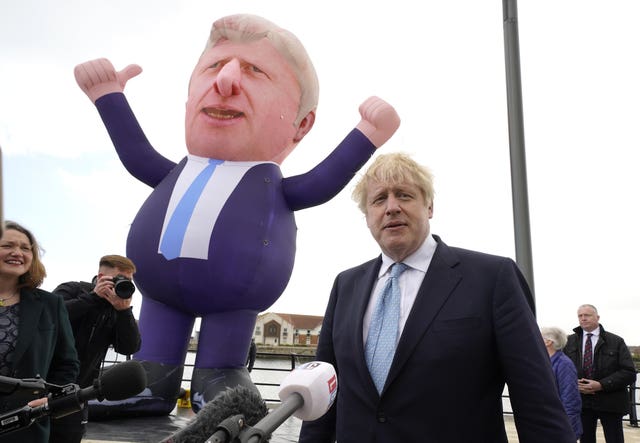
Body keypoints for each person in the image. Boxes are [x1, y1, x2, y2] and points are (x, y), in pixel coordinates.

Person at [73, 13, 400, 416]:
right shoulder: (176, 172)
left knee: (222, 372)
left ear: (301, 125)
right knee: (150, 363)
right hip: (157, 292)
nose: (225, 81)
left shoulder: (269, 185)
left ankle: (220, 373)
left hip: (235, 300)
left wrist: (366, 134)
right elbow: (136, 154)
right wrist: (108, 95)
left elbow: (322, 182)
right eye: (213, 67)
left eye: (254, 71)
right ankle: (150, 378)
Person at [298, 153, 576, 442]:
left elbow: (536, 400)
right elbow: (324, 394)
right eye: (379, 199)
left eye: (404, 195)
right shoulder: (346, 285)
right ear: (367, 216)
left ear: (429, 206)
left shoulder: (493, 278)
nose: (391, 207)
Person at [0, 221, 79, 443]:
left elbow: (67, 364)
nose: (17, 252)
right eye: (7, 245)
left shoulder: (50, 304)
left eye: (25, 248)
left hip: (23, 425)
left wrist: (49, 398)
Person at [49, 255, 141, 442]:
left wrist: (124, 312)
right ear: (101, 277)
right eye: (119, 279)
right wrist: (92, 298)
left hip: (78, 393)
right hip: (45, 384)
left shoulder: (116, 310)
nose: (123, 284)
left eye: (128, 281)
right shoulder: (72, 289)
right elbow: (50, 318)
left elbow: (129, 347)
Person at [564, 304, 637, 443]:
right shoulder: (569, 341)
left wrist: (601, 385)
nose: (583, 318)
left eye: (587, 315)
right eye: (580, 316)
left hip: (611, 401)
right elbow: (563, 370)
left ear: (597, 317)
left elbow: (629, 372)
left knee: (614, 439)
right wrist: (574, 384)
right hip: (582, 402)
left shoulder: (616, 341)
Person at [541, 326, 583, 440]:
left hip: (559, 427)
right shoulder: (546, 362)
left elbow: (570, 399)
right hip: (548, 424)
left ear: (548, 342)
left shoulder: (564, 364)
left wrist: (567, 431)